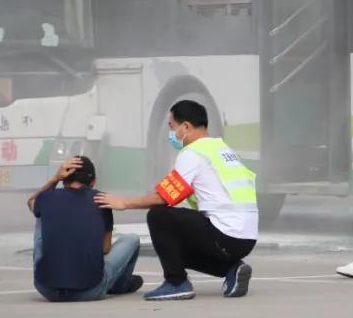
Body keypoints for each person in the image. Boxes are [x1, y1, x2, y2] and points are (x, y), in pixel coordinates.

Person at [95, 100, 258, 301]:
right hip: (246, 237)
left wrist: (125, 203)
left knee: (159, 215)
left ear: (186, 127)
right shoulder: (222, 149)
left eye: (172, 127)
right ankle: (232, 269)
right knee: (174, 247)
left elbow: (164, 198)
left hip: (226, 234)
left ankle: (176, 282)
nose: (171, 134)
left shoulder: (193, 153)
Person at [28, 156, 142, 302]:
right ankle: (120, 285)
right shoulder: (101, 200)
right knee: (131, 239)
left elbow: (31, 202)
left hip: (47, 289)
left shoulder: (46, 197)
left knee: (40, 213)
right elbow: (105, 249)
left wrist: (54, 179)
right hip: (90, 290)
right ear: (93, 181)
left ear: (63, 180)